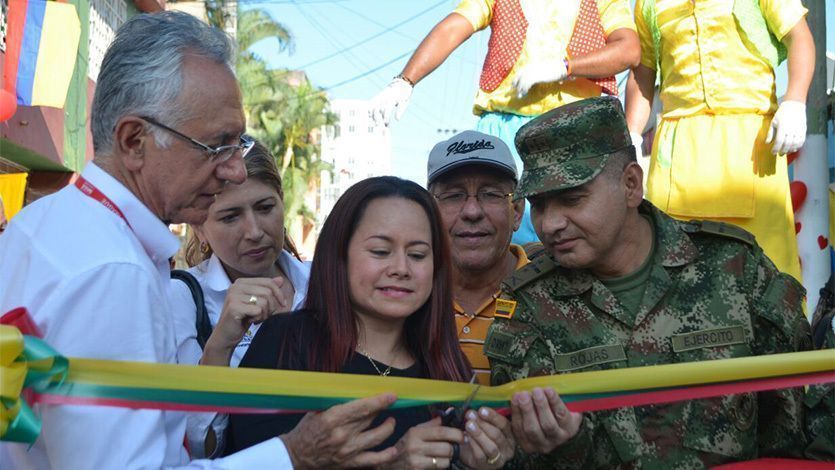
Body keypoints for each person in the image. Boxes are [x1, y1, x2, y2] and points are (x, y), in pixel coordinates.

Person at [0, 11, 400, 469]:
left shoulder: (47, 225)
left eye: (238, 146)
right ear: (134, 141)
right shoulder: (114, 271)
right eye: (218, 145)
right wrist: (293, 454)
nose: (235, 170)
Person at [483, 96, 812, 467]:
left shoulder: (735, 268)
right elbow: (517, 454)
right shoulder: (530, 305)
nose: (550, 224)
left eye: (572, 199)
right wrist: (565, 445)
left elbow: (809, 415)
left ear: (630, 184)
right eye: (539, 205)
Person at [215, 176, 516, 469]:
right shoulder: (286, 343)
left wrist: (481, 461)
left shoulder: (449, 366)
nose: (401, 268)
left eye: (417, 254)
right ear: (339, 255)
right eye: (380, 252)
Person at [370, 0, 640, 245]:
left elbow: (628, 49)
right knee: (497, 235)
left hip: (574, 134)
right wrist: (406, 80)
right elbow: (455, 26)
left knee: (578, 235)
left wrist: (566, 66)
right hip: (504, 133)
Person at [624, 0, 815, 281]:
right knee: (673, 271)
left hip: (749, 148)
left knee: (765, 272)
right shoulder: (648, 4)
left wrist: (795, 100)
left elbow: (799, 36)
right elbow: (643, 70)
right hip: (677, 154)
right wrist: (631, 133)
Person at [169, 140, 312, 458]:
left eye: (265, 208)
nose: (254, 231)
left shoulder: (323, 284)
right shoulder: (184, 298)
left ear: (282, 201)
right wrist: (219, 346)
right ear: (199, 227)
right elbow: (201, 449)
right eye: (230, 217)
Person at [425, 130, 528, 385]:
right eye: (453, 195)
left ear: (516, 211)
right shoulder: (405, 297)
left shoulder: (558, 299)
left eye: (491, 194)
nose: (472, 212)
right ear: (429, 212)